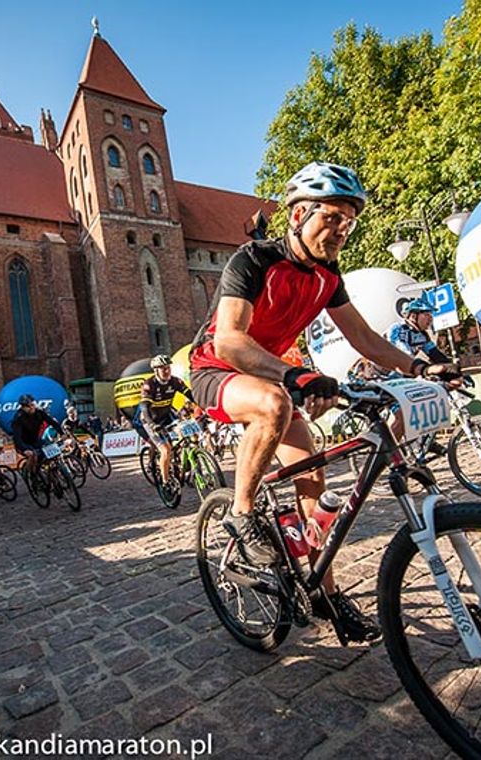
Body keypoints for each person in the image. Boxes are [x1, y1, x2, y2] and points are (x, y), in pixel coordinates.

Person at [188, 161, 460, 643]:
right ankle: (242, 513)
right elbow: (230, 340)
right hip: (218, 369)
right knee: (273, 404)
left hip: (275, 373)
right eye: (330, 218)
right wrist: (297, 374)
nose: (340, 231)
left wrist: (421, 368)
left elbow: (365, 339)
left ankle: (324, 597)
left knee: (313, 483)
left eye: (348, 222)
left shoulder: (328, 278)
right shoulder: (253, 260)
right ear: (298, 215)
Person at [139, 354, 196, 491]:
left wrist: (204, 405)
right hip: (151, 419)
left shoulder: (175, 381)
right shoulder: (149, 385)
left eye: (168, 368)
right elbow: (145, 407)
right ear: (156, 371)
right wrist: (152, 424)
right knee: (165, 449)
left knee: (190, 437)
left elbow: (190, 395)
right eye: (163, 368)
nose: (167, 371)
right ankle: (165, 481)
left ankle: (187, 465)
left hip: (167, 415)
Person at [387, 297, 452, 364]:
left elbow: (435, 355)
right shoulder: (398, 329)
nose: (431, 318)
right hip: (387, 370)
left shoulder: (422, 335)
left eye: (431, 315)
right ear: (413, 316)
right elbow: (405, 354)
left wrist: (449, 365)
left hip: (405, 367)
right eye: (427, 314)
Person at [10, 395, 61, 475]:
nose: (31, 408)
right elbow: (17, 437)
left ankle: (49, 471)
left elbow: (52, 422)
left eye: (32, 405)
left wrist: (62, 433)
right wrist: (24, 449)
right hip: (23, 443)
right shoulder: (19, 419)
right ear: (23, 407)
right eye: (28, 406)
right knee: (33, 455)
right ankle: (30, 474)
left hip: (35, 440)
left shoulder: (39, 413)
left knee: (50, 450)